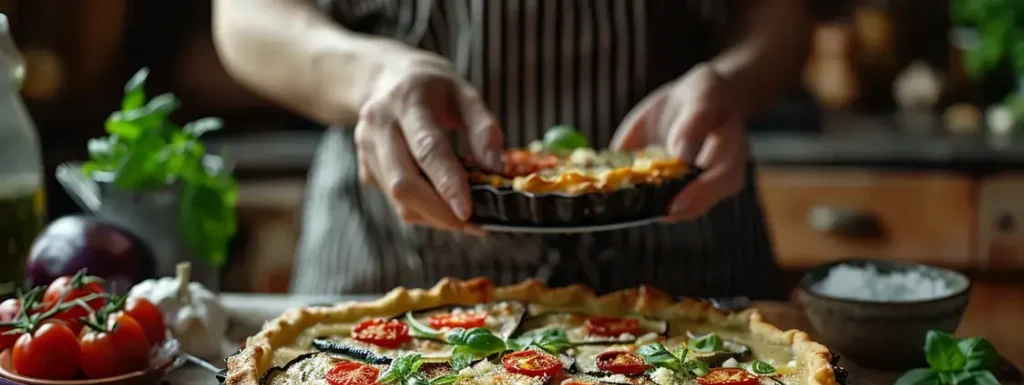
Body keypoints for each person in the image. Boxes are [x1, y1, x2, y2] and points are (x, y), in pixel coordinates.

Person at [212, 0, 815, 299]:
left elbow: (781, 14)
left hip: (689, 263)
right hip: (395, 268)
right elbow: (243, 15)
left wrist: (734, 81)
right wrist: (367, 76)